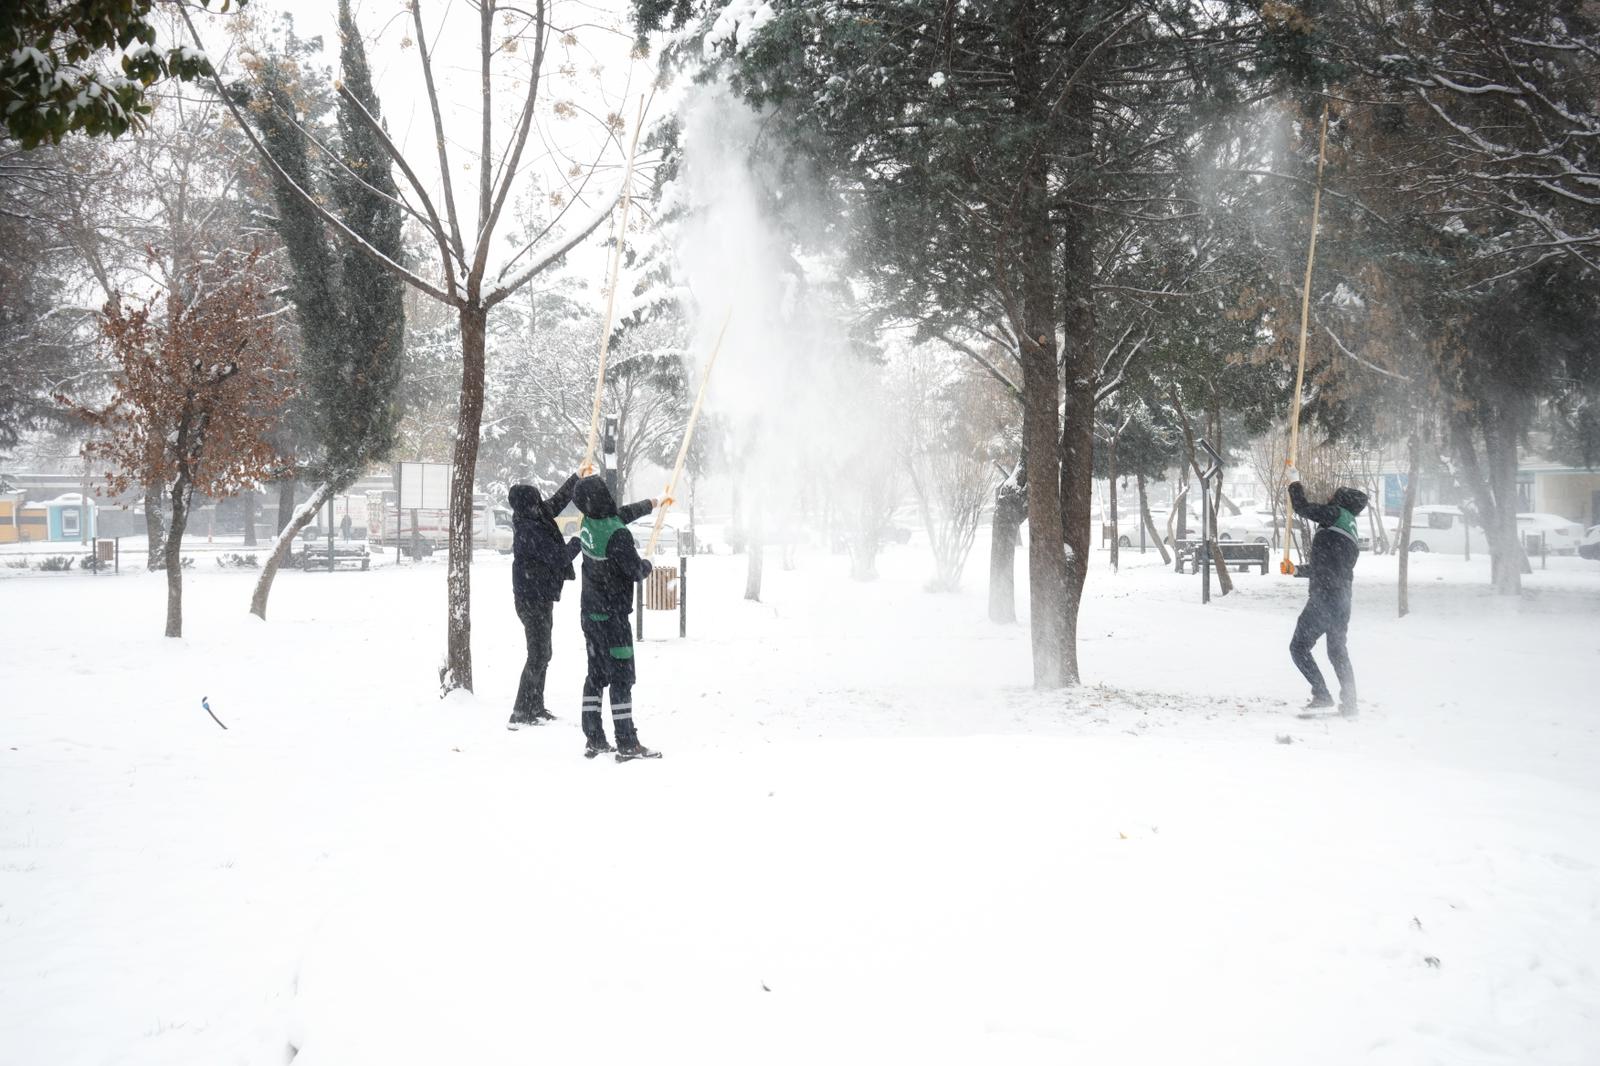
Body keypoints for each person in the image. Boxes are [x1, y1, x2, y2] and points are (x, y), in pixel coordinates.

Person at [570, 475, 668, 760]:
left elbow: (620, 515)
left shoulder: (588, 523)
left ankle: (594, 737)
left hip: (590, 614)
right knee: (622, 677)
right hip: (614, 619)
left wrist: (652, 503)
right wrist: (648, 563)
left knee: (597, 675)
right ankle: (627, 742)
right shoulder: (618, 535)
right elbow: (635, 571)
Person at [1286, 468, 1369, 716]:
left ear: (1340, 501)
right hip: (1342, 598)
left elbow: (1301, 507)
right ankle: (1350, 702)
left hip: (1325, 597)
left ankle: (1321, 694)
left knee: (1298, 647)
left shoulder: (1335, 514)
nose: (1330, 498)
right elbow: (1328, 565)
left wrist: (1294, 482)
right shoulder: (1349, 526)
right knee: (1337, 651)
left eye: (1334, 495)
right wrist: (1297, 570)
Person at [506, 474, 580, 730]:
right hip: (530, 599)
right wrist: (578, 541)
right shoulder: (529, 528)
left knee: (543, 653)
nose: (541, 503)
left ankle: (535, 707)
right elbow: (559, 557)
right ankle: (520, 711)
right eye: (536, 500)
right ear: (529, 504)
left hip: (540, 595)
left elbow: (558, 501)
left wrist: (578, 476)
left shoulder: (537, 516)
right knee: (537, 654)